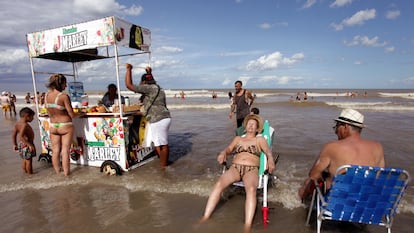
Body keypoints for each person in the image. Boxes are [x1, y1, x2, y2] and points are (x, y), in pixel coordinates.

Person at [200, 114, 275, 231]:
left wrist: (270, 160)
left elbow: (267, 151)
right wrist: (223, 153)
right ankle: (205, 217)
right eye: (249, 124)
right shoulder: (238, 139)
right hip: (235, 167)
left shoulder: (259, 139)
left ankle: (247, 226)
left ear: (257, 129)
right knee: (219, 184)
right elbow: (229, 149)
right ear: (245, 126)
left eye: (253, 124)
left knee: (250, 190)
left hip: (251, 169)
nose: (250, 126)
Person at [298, 108, 385, 199]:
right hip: (366, 201)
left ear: (345, 127)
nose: (336, 131)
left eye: (337, 126)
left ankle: (303, 209)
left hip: (339, 201)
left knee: (308, 182)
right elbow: (379, 176)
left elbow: (313, 175)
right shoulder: (378, 147)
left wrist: (326, 178)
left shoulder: (332, 147)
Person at [125, 64, 172, 168]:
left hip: (158, 119)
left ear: (144, 82)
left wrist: (129, 70)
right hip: (163, 117)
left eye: (142, 83)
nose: (141, 85)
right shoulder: (158, 88)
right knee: (158, 143)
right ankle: (164, 164)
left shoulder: (149, 88)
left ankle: (164, 167)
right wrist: (149, 72)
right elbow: (150, 80)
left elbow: (129, 85)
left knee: (162, 144)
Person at [45, 74, 83, 176]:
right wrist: (81, 113)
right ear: (60, 83)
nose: (66, 86)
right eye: (65, 83)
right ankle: (67, 174)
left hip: (53, 125)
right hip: (65, 125)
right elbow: (71, 114)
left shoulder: (46, 96)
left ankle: (58, 173)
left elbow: (48, 112)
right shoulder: (63, 96)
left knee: (55, 150)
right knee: (65, 150)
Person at [12, 107, 36, 174]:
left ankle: (25, 172)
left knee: (24, 159)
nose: (33, 118)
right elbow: (21, 136)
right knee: (29, 161)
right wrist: (30, 145)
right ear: (27, 116)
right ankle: (30, 174)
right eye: (32, 117)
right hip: (27, 144)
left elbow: (14, 135)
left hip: (21, 144)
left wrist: (14, 144)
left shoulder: (17, 124)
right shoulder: (24, 125)